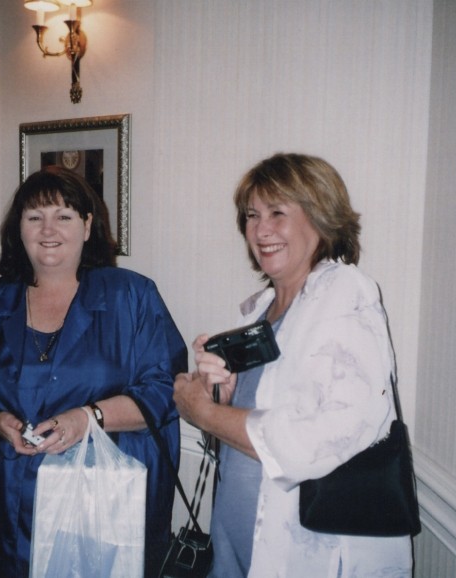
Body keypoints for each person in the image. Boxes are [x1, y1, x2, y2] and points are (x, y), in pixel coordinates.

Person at [0, 166, 187, 578]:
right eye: (35, 217)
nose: (48, 229)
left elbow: (163, 390)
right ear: (20, 229)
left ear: (87, 225)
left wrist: (87, 419)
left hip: (96, 513)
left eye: (64, 216)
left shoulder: (131, 296)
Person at [173, 153, 413, 577]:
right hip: (239, 546)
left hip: (308, 554)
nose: (260, 230)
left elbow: (321, 438)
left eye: (277, 213)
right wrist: (222, 395)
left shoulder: (345, 295)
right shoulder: (263, 311)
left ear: (320, 219)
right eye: (251, 215)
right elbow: (249, 437)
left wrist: (206, 414)